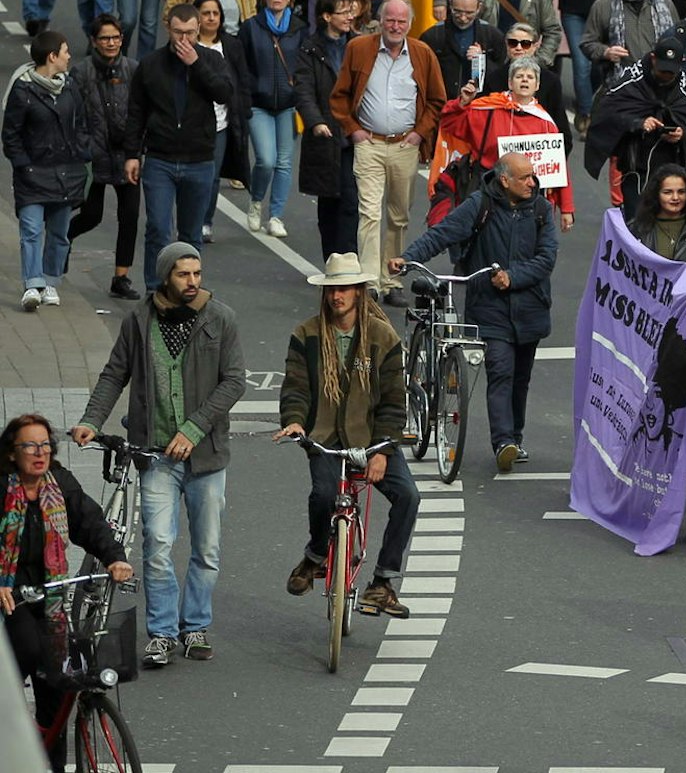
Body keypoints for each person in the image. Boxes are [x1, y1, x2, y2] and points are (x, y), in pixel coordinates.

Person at [73, 242, 246, 667]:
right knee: (158, 545)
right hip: (155, 456)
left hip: (206, 456)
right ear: (165, 275)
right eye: (183, 274)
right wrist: (91, 420)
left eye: (197, 273)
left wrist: (193, 427)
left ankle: (196, 627)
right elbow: (116, 373)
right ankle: (163, 633)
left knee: (206, 549)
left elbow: (235, 381)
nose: (193, 282)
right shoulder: (139, 320)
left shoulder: (220, 319)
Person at [274, 252, 422, 619]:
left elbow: (392, 400)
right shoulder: (305, 334)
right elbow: (295, 388)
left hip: (373, 438)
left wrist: (383, 450)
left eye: (344, 289)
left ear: (359, 291)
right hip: (325, 436)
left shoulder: (383, 337)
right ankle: (316, 555)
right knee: (323, 494)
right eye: (331, 290)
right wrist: (294, 421)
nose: (337, 296)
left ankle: (383, 582)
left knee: (408, 496)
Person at [392, 152, 560, 473]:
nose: (532, 182)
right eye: (524, 177)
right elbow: (442, 234)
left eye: (533, 176)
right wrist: (408, 257)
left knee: (520, 379)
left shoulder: (540, 210)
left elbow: (546, 257)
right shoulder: (479, 205)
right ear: (504, 180)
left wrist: (513, 276)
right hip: (490, 308)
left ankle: (515, 437)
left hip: (530, 308)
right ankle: (503, 442)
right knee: (501, 371)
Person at [0, 413, 134, 758]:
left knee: (58, 684)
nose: (39, 452)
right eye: (29, 445)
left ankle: (50, 757)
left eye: (45, 444)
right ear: (13, 453)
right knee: (29, 649)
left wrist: (114, 558)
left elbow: (90, 523)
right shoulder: (2, 488)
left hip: (52, 595)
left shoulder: (60, 484)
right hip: (10, 595)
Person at [329, 0, 448, 306]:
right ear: (380, 22)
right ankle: (369, 281)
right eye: (390, 20)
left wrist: (418, 134)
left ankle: (392, 277)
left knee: (399, 214)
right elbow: (340, 95)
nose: (395, 26)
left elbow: (437, 100)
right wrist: (353, 130)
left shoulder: (422, 54)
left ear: (410, 24)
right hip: (368, 143)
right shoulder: (359, 48)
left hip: (403, 146)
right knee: (369, 212)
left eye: (402, 21)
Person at [128, 4, 233, 282]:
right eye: (177, 32)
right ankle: (155, 290)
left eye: (189, 32)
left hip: (198, 160)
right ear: (168, 29)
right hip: (160, 159)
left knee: (190, 235)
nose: (183, 39)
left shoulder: (211, 59)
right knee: (158, 230)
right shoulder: (151, 64)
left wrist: (195, 64)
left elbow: (224, 92)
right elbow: (136, 110)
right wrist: (132, 154)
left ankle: (189, 290)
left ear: (199, 29)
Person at [432, 56, 576, 229]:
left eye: (530, 77)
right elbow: (449, 124)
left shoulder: (546, 123)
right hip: (488, 191)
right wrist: (461, 103)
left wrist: (567, 209)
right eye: (519, 76)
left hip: (525, 200)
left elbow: (557, 167)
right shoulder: (486, 110)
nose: (524, 80)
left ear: (537, 86)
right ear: (509, 82)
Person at [6, 30, 95, 310]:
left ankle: (50, 281)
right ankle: (32, 284)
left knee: (59, 233)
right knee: (31, 230)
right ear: (52, 56)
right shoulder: (23, 90)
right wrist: (23, 163)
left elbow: (81, 124)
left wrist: (82, 151)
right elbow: (11, 134)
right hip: (33, 175)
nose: (70, 56)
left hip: (66, 173)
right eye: (66, 51)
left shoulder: (69, 88)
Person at [69, 15, 143, 300]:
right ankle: (63, 240)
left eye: (115, 38)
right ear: (93, 41)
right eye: (104, 38)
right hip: (93, 155)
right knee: (90, 215)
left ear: (122, 39)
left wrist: (137, 148)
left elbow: (140, 112)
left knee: (130, 217)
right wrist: (83, 146)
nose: (111, 43)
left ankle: (121, 278)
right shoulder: (81, 72)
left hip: (127, 156)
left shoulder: (133, 70)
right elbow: (72, 114)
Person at [295, 0, 362, 261]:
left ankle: (349, 258)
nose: (349, 17)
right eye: (343, 12)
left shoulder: (358, 45)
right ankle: (333, 259)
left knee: (350, 201)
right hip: (326, 136)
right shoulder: (309, 49)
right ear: (326, 16)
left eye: (350, 11)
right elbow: (303, 90)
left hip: (354, 135)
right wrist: (315, 122)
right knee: (329, 202)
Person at [238, 0, 306, 237]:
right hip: (259, 103)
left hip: (289, 104)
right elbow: (242, 65)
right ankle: (256, 202)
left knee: (285, 162)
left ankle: (276, 215)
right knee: (266, 160)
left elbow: (303, 67)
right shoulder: (251, 27)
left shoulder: (299, 29)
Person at [192, 0, 252, 242]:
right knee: (192, 176)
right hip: (192, 123)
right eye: (206, 13)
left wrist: (243, 109)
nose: (212, 18)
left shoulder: (231, 45)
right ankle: (190, 218)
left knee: (212, 175)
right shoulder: (188, 46)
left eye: (216, 13)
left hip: (222, 122)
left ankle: (205, 222)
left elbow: (241, 80)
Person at [584, 0, 679, 92]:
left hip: (660, 84)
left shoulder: (666, 4)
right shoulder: (602, 6)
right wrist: (606, 51)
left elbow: (678, 42)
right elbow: (587, 43)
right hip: (621, 86)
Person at [421, 0, 509, 99]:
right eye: (457, 11)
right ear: (450, 4)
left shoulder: (493, 36)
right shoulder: (433, 36)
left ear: (479, 8)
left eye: (469, 13)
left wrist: (483, 61)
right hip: (443, 104)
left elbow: (502, 77)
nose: (463, 18)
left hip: (479, 105)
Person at [625, 162, 686, 264]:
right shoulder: (636, 229)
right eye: (668, 192)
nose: (675, 197)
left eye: (681, 192)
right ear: (656, 194)